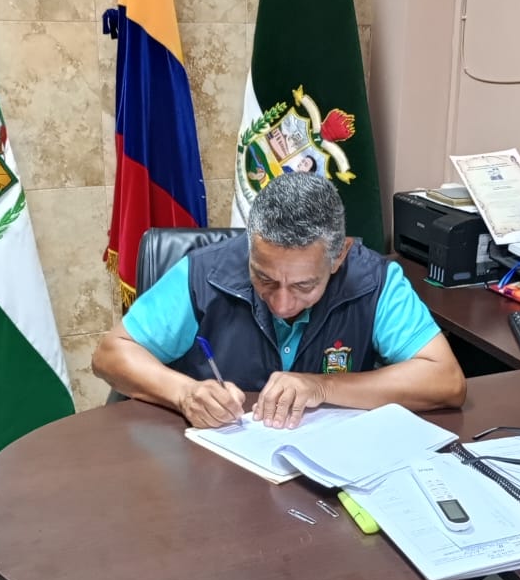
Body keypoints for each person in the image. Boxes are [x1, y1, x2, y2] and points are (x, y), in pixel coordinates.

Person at [92, 173, 466, 429]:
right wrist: (184, 393)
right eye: (265, 279)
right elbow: (111, 354)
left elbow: (445, 380)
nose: (282, 304)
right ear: (250, 248)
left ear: (339, 257)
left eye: (304, 286)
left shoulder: (374, 281)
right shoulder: (203, 273)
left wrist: (322, 387)